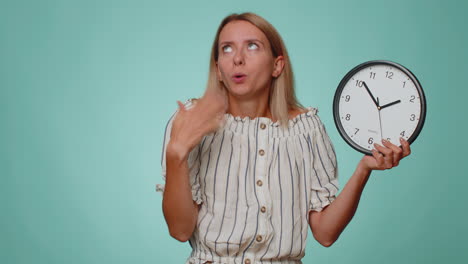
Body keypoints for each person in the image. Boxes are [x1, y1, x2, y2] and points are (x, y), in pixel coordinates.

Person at [156, 12, 411, 264]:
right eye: (227, 49)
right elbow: (180, 230)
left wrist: (364, 169)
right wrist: (175, 153)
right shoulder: (189, 121)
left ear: (277, 65)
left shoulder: (307, 129)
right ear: (218, 70)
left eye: (252, 46)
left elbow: (325, 233)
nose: (238, 59)